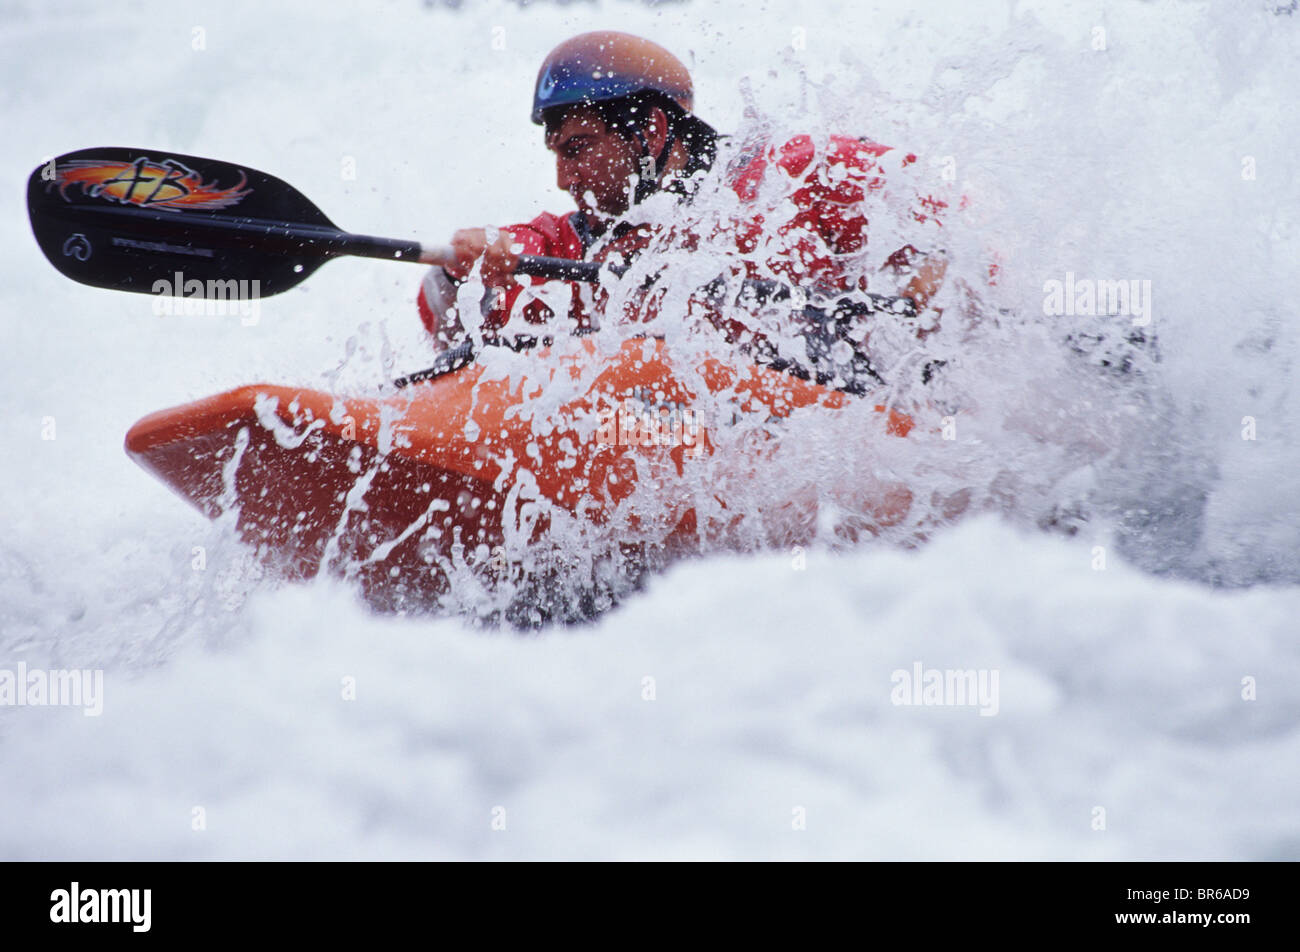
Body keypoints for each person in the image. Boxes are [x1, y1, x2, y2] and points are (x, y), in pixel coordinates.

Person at [419, 30, 949, 389]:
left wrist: (925, 285)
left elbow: (948, 225)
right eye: (556, 155)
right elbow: (444, 302)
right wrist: (463, 264)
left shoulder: (795, 175)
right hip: (667, 432)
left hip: (829, 420)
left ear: (650, 130)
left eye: (578, 148)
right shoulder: (579, 241)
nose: (563, 180)